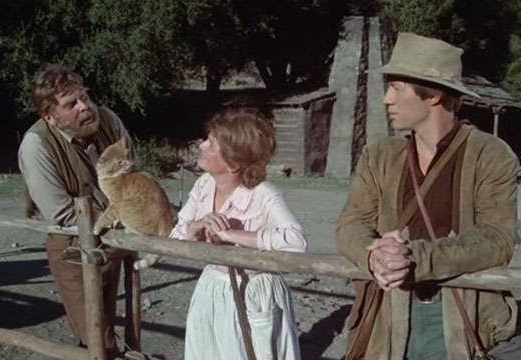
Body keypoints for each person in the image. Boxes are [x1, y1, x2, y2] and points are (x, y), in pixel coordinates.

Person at [336, 32, 519, 359]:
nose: (386, 99)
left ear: (433, 94)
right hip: (387, 318)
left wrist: (415, 258)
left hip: (460, 320)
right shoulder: (378, 156)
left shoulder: (491, 155)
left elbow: (498, 238)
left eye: (396, 88)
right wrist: (374, 256)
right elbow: (349, 226)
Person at [18, 63, 136, 358]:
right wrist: (119, 218)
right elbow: (61, 213)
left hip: (116, 239)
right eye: (71, 104)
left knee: (110, 322)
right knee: (96, 338)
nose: (85, 107)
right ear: (50, 117)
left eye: (85, 97)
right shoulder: (36, 145)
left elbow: (134, 176)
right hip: (73, 249)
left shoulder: (108, 120)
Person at [169, 108, 307, 360]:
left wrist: (230, 235)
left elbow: (296, 242)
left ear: (232, 162)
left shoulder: (264, 194)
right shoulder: (203, 185)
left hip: (254, 292)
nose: (201, 145)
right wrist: (197, 226)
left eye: (211, 144)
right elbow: (175, 236)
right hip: (212, 288)